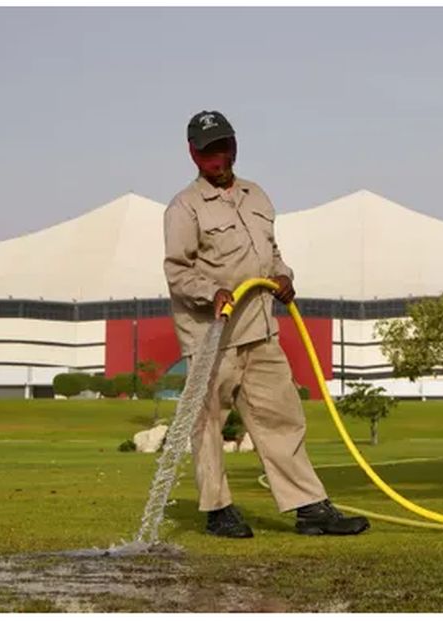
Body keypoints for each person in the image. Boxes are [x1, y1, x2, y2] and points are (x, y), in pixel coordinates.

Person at [163, 110, 370, 538]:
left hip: (260, 329)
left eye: (223, 148)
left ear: (235, 145)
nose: (217, 159)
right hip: (211, 336)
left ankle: (309, 507)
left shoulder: (256, 196)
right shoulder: (184, 208)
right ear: (192, 154)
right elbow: (178, 272)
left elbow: (271, 254)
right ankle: (218, 510)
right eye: (207, 153)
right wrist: (211, 292)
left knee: (283, 416)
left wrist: (284, 277)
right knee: (208, 425)